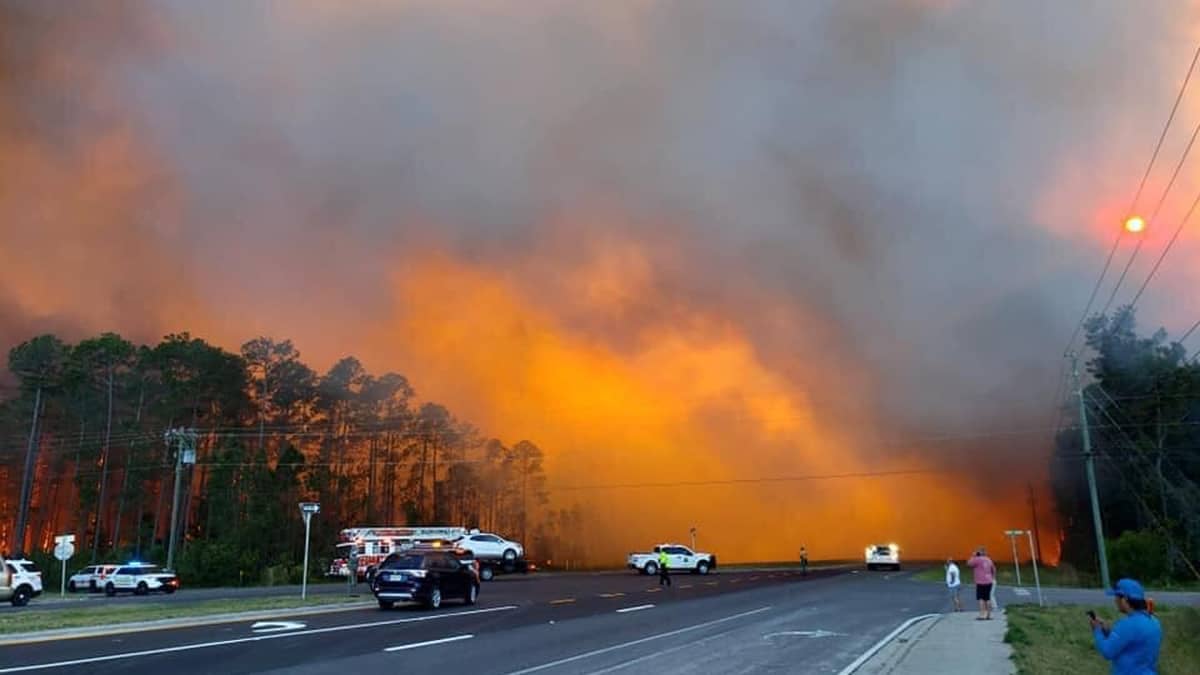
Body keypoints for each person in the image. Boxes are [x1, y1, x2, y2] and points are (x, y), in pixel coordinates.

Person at [1091, 578, 1162, 675]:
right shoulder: (1154, 622)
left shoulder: (1127, 625)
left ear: (1124, 600)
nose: (1115, 600)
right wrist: (1108, 633)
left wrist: (1097, 631)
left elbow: (1107, 652)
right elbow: (1133, 645)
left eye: (1116, 597)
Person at [967, 546, 996, 620]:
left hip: (980, 582)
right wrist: (992, 577)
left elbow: (969, 564)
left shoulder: (977, 559)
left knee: (981, 598)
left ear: (979, 552)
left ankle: (982, 615)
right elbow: (994, 569)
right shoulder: (989, 559)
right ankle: (988, 615)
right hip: (989, 581)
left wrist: (973, 556)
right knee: (988, 598)